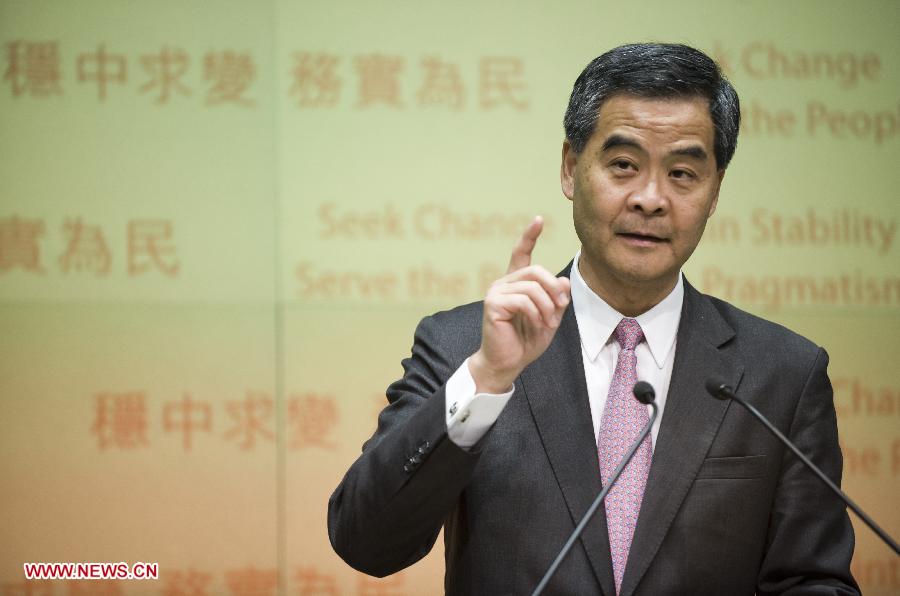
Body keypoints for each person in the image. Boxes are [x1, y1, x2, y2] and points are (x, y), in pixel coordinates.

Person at [328, 43, 859, 595]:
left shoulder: (781, 374)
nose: (650, 199)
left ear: (715, 191)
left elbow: (812, 580)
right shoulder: (463, 345)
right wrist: (487, 378)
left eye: (682, 173)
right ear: (570, 168)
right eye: (624, 166)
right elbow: (366, 542)